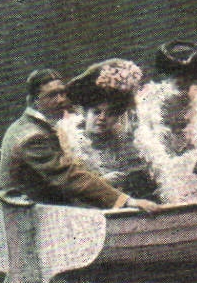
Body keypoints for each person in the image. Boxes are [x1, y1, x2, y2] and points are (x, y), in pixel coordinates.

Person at [0, 68, 157, 211]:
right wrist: (126, 201)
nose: (61, 100)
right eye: (52, 95)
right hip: (27, 213)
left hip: (45, 205)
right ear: (34, 101)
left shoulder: (34, 126)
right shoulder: (33, 135)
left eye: (62, 93)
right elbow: (68, 176)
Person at [132, 40, 197, 203]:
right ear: (166, 75)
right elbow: (146, 141)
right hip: (163, 167)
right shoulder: (148, 102)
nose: (182, 80)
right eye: (176, 75)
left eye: (188, 75)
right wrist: (171, 167)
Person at [62, 58, 159, 202]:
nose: (102, 118)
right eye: (96, 112)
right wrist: (102, 183)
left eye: (111, 113)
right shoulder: (67, 144)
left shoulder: (123, 143)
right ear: (84, 113)